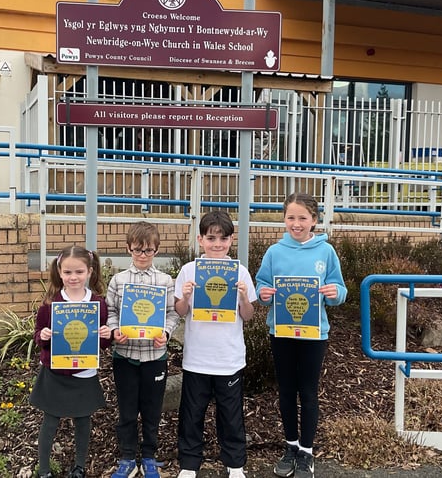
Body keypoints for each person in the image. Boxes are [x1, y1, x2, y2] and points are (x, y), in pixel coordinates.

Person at [255, 193, 348, 478]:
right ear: (284, 219)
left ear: (315, 220)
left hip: (314, 333)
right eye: (291, 218)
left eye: (303, 218)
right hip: (281, 332)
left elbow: (339, 289)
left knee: (307, 391)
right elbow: (262, 285)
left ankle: (306, 451)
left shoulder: (326, 251)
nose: (296, 224)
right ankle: (290, 445)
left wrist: (335, 294)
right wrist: (263, 294)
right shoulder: (274, 252)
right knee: (286, 390)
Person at [173, 211, 257, 478]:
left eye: (223, 238)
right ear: (200, 239)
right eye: (211, 238)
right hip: (197, 357)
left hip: (228, 358)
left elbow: (248, 315)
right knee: (191, 414)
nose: (217, 244)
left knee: (231, 415)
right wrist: (185, 297)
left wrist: (244, 297)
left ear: (231, 240)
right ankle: (188, 465)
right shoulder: (189, 270)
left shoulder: (240, 272)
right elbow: (179, 311)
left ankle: (235, 464)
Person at [29, 245, 112, 478]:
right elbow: (38, 334)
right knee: (50, 421)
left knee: (82, 420)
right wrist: (42, 337)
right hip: (55, 373)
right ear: (59, 271)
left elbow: (101, 345)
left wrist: (106, 336)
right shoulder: (50, 304)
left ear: (90, 271)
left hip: (84, 373)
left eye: (79, 272)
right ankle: (43, 470)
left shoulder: (98, 304)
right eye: (68, 272)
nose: (73, 277)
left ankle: (79, 467)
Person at [106, 221, 179, 478]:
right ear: (128, 249)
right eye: (138, 250)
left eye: (148, 250)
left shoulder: (165, 280)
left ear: (156, 251)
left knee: (151, 410)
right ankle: (127, 458)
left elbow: (172, 314)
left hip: (154, 356)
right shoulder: (118, 280)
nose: (143, 255)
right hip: (125, 356)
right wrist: (115, 331)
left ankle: (149, 456)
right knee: (126, 410)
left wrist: (166, 334)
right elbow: (111, 312)